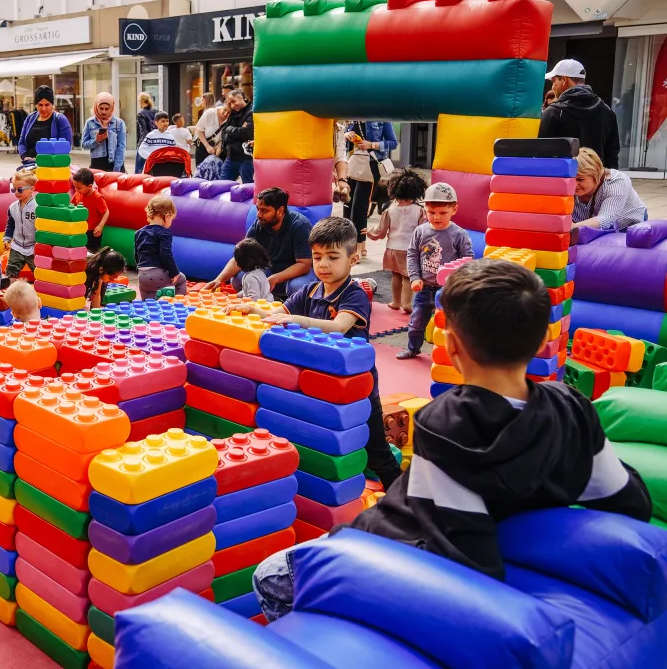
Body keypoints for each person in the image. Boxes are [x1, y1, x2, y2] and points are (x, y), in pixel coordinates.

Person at [252, 258, 651, 621]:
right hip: (442, 536)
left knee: (269, 574)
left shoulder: (445, 421)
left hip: (392, 545)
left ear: (453, 346)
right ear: (540, 339)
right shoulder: (572, 406)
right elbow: (629, 499)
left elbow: (456, 550)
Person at [228, 217, 400, 490]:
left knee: (377, 449)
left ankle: (402, 497)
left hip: (357, 388)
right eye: (317, 257)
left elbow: (339, 326)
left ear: (353, 259)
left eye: (333, 257)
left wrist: (300, 321)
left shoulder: (352, 294)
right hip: (320, 382)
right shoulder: (309, 291)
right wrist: (254, 310)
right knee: (324, 442)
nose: (323, 264)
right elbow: (279, 315)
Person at [396, 182, 475, 360]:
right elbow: (412, 255)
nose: (436, 217)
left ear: (454, 210)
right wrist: (415, 277)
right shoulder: (420, 231)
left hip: (448, 290)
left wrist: (458, 283)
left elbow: (468, 260)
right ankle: (413, 348)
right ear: (424, 209)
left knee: (451, 325)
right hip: (424, 288)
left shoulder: (459, 234)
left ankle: (452, 353)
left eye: (442, 213)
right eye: (431, 213)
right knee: (416, 323)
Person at [206, 188, 314, 298]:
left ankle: (293, 308)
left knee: (296, 286)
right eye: (258, 209)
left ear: (280, 211)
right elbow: (242, 256)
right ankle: (261, 303)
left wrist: (275, 278)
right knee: (239, 278)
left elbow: (304, 265)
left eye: (265, 211)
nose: (259, 215)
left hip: (296, 275)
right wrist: (219, 279)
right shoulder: (260, 224)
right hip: (270, 270)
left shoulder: (300, 226)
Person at [540, 59, 620, 168]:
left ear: (564, 79)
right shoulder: (607, 111)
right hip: (596, 181)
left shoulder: (553, 113)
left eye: (554, 81)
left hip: (562, 180)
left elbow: (543, 155)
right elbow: (612, 155)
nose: (552, 87)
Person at [367, 168, 427, 313]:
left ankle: (396, 302)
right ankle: (407, 304)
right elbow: (423, 231)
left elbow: (381, 231)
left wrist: (370, 233)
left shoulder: (390, 210)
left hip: (392, 248)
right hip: (410, 250)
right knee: (407, 276)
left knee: (395, 275)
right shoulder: (419, 211)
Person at [344, 120, 398, 257]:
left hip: (370, 165)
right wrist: (347, 134)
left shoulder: (380, 118)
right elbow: (343, 141)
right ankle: (359, 246)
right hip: (351, 164)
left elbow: (393, 143)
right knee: (348, 206)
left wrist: (371, 144)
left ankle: (356, 249)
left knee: (359, 207)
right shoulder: (352, 118)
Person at [573, 146, 647, 231]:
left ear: (596, 174)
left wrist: (572, 227)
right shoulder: (561, 181)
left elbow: (606, 219)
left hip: (627, 224)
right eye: (570, 179)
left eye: (580, 179)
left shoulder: (617, 181)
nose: (574, 185)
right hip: (583, 223)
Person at [135, 196, 187, 299]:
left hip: (142, 275)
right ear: (167, 217)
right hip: (157, 274)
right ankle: (180, 307)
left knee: (148, 298)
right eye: (171, 219)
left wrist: (142, 270)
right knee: (182, 280)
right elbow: (165, 254)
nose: (171, 222)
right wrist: (174, 272)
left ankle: (147, 310)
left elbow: (137, 254)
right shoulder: (164, 232)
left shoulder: (139, 232)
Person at [18, 85, 73, 161]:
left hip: (51, 166)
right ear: (36, 105)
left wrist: (46, 160)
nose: (43, 108)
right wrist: (24, 156)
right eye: (40, 105)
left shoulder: (61, 120)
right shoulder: (30, 118)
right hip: (29, 165)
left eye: (47, 105)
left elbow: (66, 147)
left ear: (52, 104)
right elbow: (21, 142)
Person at [3, 169, 37, 281]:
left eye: (20, 189)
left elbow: (42, 228)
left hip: (33, 247)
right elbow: (11, 224)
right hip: (17, 246)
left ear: (32, 189)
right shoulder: (13, 207)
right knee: (11, 271)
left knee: (39, 272)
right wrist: (7, 238)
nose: (16, 192)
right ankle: (11, 292)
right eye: (14, 189)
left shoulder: (37, 208)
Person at [80, 92, 127, 172]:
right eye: (101, 108)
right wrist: (97, 140)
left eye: (107, 109)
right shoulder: (90, 122)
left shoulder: (119, 123)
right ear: (96, 107)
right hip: (97, 165)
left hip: (115, 165)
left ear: (112, 108)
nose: (104, 112)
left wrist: (117, 169)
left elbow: (121, 147)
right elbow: (84, 145)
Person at [216, 90, 254, 183]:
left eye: (233, 101)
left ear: (241, 97)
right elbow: (224, 133)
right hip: (230, 157)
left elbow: (247, 132)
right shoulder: (232, 113)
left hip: (246, 158)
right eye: (229, 104)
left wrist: (230, 129)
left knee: (248, 188)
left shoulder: (252, 112)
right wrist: (234, 130)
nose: (232, 105)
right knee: (222, 186)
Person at [71, 168, 110, 252]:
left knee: (91, 253)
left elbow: (106, 212)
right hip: (80, 229)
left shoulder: (97, 197)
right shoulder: (78, 193)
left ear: (89, 186)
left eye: (79, 188)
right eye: (75, 187)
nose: (76, 190)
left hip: (92, 232)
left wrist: (100, 226)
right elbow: (72, 205)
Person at [192, 92, 223, 180]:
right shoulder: (206, 111)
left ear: (206, 101)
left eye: (202, 100)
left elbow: (199, 129)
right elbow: (200, 128)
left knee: (205, 168)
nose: (201, 102)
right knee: (206, 169)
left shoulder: (210, 112)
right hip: (207, 144)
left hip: (211, 145)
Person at [134, 92, 156, 173]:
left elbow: (144, 131)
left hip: (145, 143)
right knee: (153, 169)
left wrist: (140, 145)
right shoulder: (156, 112)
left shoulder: (141, 114)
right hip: (155, 143)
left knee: (138, 170)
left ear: (141, 101)